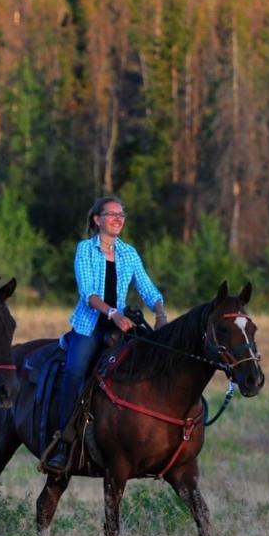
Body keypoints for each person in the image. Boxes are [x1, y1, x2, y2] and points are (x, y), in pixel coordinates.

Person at [41, 195, 168, 474]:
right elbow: (88, 294)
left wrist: (160, 314)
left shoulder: (129, 253)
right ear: (97, 219)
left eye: (122, 215)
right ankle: (63, 443)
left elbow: (147, 288)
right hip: (90, 326)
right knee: (75, 372)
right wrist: (113, 314)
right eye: (112, 214)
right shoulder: (85, 250)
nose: (118, 219)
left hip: (120, 327)